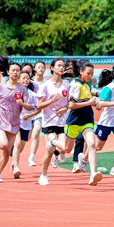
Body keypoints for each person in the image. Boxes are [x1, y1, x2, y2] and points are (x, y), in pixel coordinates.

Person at [49, 59, 102, 186]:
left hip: (87, 120)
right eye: (88, 73)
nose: (90, 76)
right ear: (81, 72)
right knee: (65, 149)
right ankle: (53, 141)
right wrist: (89, 103)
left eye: (92, 74)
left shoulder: (85, 85)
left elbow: (88, 100)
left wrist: (96, 104)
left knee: (92, 144)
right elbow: (72, 105)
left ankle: (93, 174)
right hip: (74, 121)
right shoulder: (75, 85)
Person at [0, 56, 33, 183]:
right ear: (7, 72)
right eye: (13, 70)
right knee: (5, 144)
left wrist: (22, 103)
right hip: (0, 121)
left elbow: (29, 107)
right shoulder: (0, 87)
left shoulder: (22, 89)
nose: (16, 72)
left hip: (14, 123)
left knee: (7, 152)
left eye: (18, 70)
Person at [35, 58, 70, 186]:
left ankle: (52, 142)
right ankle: (43, 175)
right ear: (52, 68)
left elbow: (69, 103)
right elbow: (39, 106)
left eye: (63, 66)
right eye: (59, 65)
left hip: (61, 121)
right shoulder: (45, 86)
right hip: (49, 122)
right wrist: (51, 101)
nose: (61, 68)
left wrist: (64, 109)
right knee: (49, 152)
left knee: (64, 148)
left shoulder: (67, 84)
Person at [10, 70, 38, 179]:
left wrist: (30, 114)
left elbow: (37, 109)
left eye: (27, 78)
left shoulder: (32, 94)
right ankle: (16, 167)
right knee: (17, 144)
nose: (25, 80)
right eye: (23, 78)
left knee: (21, 146)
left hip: (27, 123)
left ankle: (13, 160)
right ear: (18, 79)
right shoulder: (13, 91)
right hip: (16, 121)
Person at [27, 60, 46, 167]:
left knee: (36, 132)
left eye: (43, 67)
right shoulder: (29, 82)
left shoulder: (47, 83)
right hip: (28, 111)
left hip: (39, 112)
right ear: (34, 69)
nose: (41, 69)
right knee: (28, 137)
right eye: (38, 67)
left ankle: (31, 157)